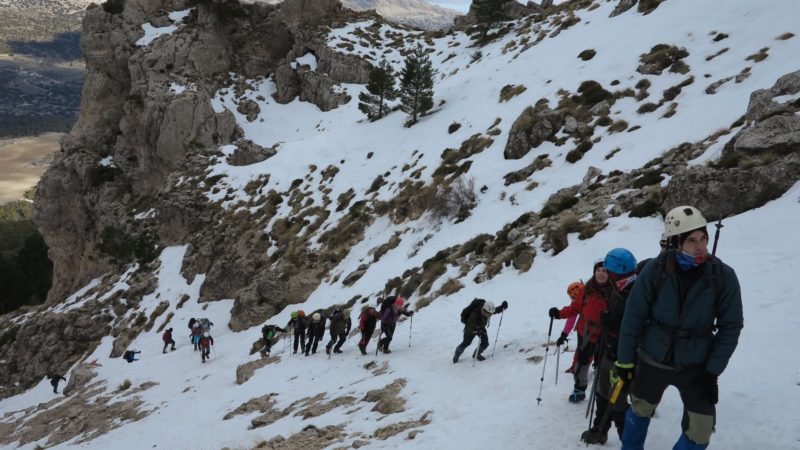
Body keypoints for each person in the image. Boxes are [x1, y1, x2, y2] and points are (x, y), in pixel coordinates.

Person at [615, 206, 743, 450]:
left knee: (701, 431)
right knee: (640, 411)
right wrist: (625, 362)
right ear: (675, 242)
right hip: (653, 358)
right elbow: (633, 316)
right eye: (692, 240)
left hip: (697, 365)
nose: (700, 246)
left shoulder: (723, 276)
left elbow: (731, 326)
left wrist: (712, 371)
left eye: (703, 238)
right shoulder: (655, 270)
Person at [581, 248, 637, 445]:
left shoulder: (635, 293)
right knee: (602, 391)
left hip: (623, 358)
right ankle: (600, 428)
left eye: (609, 271)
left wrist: (612, 324)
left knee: (618, 399)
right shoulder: (619, 290)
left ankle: (628, 443)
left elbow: (636, 328)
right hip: (609, 350)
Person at [549, 258, 614, 403]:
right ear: (594, 272)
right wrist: (558, 313)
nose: (601, 273)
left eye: (604, 271)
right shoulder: (586, 290)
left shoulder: (614, 292)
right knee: (582, 362)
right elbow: (574, 309)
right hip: (585, 332)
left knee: (604, 364)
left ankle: (603, 392)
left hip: (605, 334)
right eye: (598, 270)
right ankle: (579, 389)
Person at [453, 298, 508, 363]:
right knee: (466, 343)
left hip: (481, 328)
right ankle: (457, 354)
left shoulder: (487, 311)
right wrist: (477, 330)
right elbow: (470, 327)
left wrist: (502, 307)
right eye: (489, 314)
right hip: (470, 330)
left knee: (485, 343)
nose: (490, 315)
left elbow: (494, 311)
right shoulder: (474, 316)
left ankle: (476, 354)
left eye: (491, 314)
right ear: (484, 311)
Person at [557, 281, 584, 374]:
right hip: (584, 329)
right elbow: (571, 319)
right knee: (581, 348)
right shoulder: (576, 303)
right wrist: (564, 334)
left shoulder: (593, 298)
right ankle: (575, 367)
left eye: (572, 297)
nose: (572, 299)